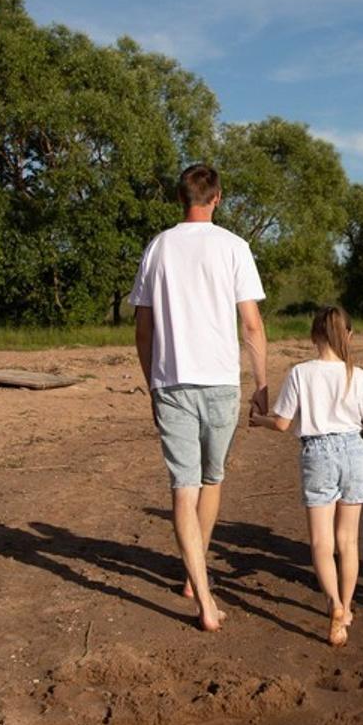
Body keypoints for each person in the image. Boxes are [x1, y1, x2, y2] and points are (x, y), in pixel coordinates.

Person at [129, 163, 269, 632]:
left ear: (181, 198)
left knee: (183, 487)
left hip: (171, 382)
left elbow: (143, 329)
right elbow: (251, 325)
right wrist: (261, 386)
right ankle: (198, 582)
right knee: (212, 479)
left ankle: (201, 593)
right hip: (221, 382)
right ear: (218, 198)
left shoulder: (158, 246)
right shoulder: (234, 247)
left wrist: (152, 383)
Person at [252, 305, 363, 646]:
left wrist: (257, 419)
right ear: (349, 336)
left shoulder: (301, 373)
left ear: (313, 335)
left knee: (321, 542)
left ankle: (333, 603)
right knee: (348, 542)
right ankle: (345, 610)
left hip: (317, 454)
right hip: (355, 453)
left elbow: (282, 423)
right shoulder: (357, 376)